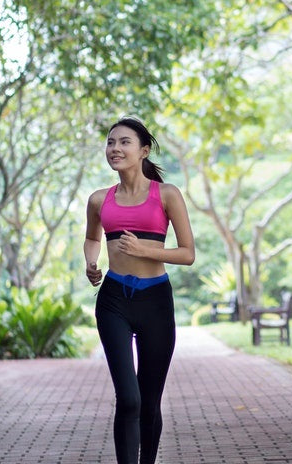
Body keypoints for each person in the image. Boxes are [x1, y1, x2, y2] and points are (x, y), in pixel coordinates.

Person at [84, 117, 195, 464]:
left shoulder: (167, 194)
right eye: (110, 142)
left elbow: (187, 254)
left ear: (144, 150)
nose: (115, 148)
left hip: (156, 302)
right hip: (114, 300)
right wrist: (91, 262)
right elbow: (92, 238)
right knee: (128, 399)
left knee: (149, 401)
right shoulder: (100, 199)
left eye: (124, 142)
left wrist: (145, 250)